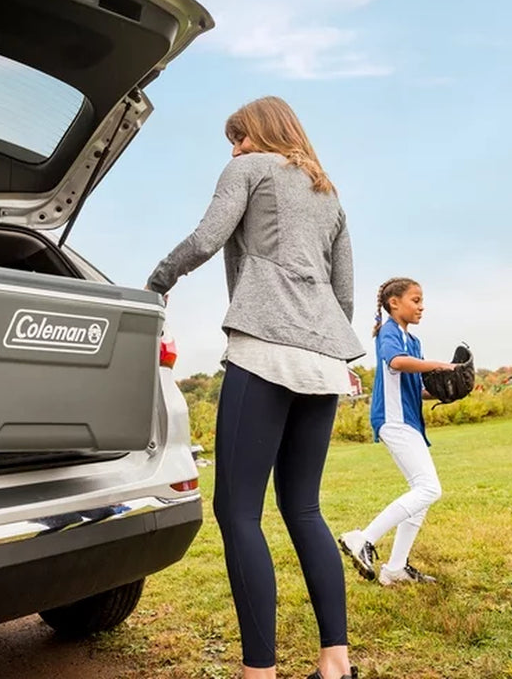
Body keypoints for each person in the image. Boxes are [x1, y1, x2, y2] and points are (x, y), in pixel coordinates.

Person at [147, 96, 363, 679]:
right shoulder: (329, 193)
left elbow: (206, 237)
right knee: (304, 507)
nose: (234, 149)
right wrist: (325, 346)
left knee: (238, 510)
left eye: (238, 137)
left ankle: (259, 673)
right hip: (324, 357)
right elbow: (344, 292)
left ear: (261, 134)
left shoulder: (250, 168)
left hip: (266, 348)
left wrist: (157, 280)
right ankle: (336, 663)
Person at [338, 278, 454, 586]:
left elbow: (414, 387)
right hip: (394, 420)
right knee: (428, 488)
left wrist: (447, 392)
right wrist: (438, 366)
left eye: (421, 300)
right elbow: (397, 362)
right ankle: (362, 538)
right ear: (394, 303)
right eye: (415, 300)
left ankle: (396, 568)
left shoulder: (413, 341)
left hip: (410, 421)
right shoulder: (389, 331)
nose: (421, 306)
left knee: (423, 493)